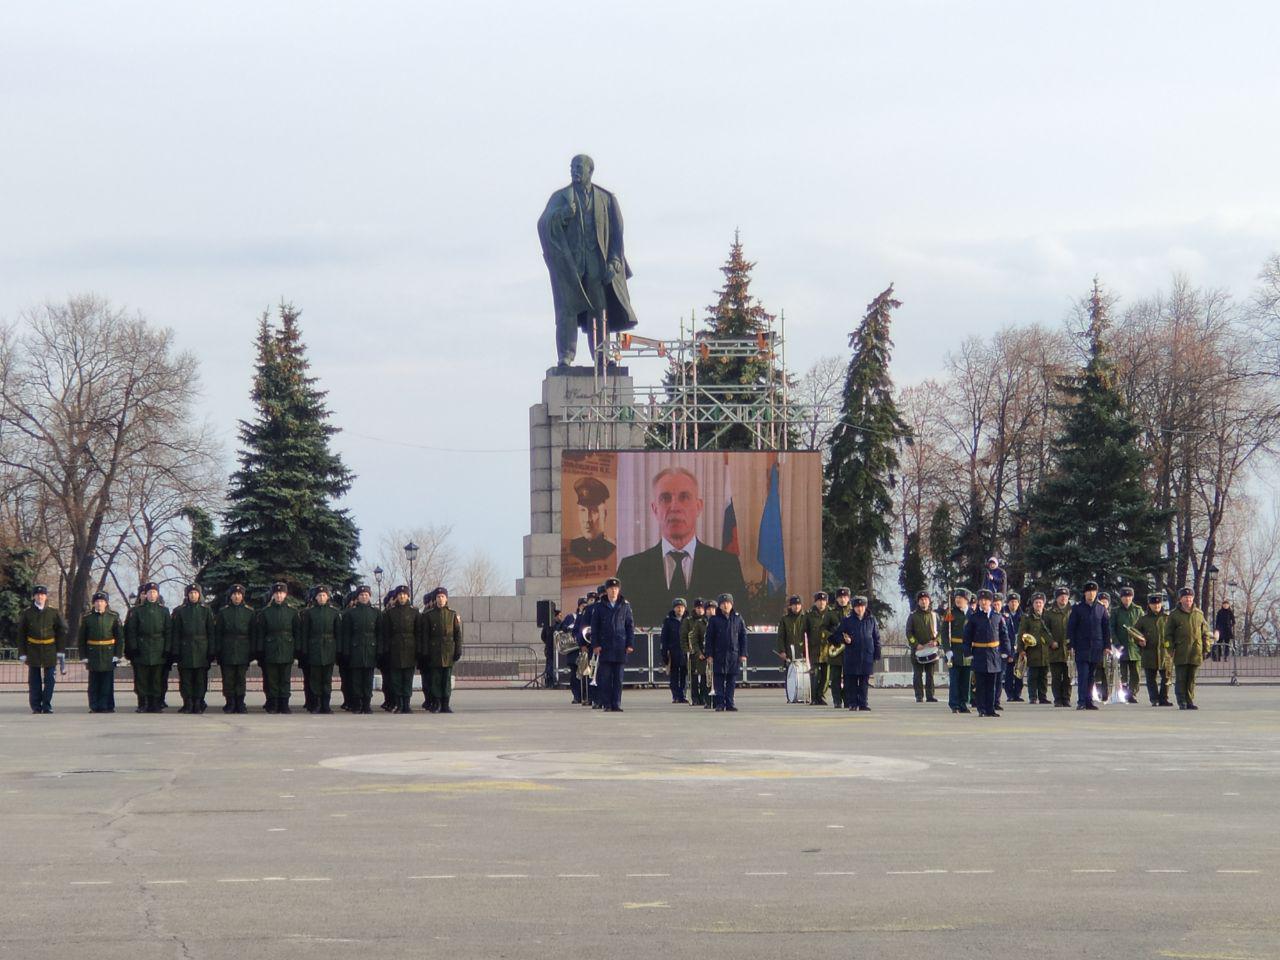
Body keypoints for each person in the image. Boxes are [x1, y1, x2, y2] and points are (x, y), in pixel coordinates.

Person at [537, 153, 639, 368]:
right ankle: (566, 355)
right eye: (572, 167)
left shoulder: (606, 199)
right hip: (570, 267)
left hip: (597, 267)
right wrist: (563, 214)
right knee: (567, 311)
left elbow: (616, 235)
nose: (574, 171)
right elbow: (543, 223)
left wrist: (614, 261)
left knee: (600, 312)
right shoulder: (561, 197)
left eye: (579, 167)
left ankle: (602, 356)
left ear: (590, 171)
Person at [613, 467, 747, 627]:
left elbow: (741, 625)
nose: (675, 506)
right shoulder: (630, 569)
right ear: (655, 509)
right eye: (665, 498)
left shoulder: (726, 566)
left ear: (698, 507)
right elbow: (618, 627)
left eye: (684, 497)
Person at [17, 585, 68, 715]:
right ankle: (36, 706)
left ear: (46, 596)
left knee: (50, 679)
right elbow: (21, 634)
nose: (40, 597)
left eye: (42, 594)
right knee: (34, 681)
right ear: (34, 596)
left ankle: (47, 704)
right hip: (33, 650)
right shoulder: (27, 613)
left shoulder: (54, 612)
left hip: (49, 649)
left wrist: (60, 650)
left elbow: (61, 631)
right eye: (38, 594)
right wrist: (22, 653)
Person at [589, 577, 634, 712]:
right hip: (605, 646)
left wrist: (630, 644)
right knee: (606, 678)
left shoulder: (625, 606)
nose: (613, 591)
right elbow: (594, 627)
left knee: (618, 679)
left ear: (619, 590)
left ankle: (617, 703)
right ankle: (607, 704)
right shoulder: (599, 606)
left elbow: (629, 626)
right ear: (607, 590)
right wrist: (595, 645)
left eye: (616, 588)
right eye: (611, 588)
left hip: (620, 646)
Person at [124, 581, 170, 713]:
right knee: (142, 678)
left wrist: (167, 649)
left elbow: (168, 631)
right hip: (142, 647)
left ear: (158, 594)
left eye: (154, 592)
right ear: (145, 594)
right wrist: (134, 647)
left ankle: (155, 703)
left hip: (158, 648)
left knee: (156, 678)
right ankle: (143, 703)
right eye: (149, 592)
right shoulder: (137, 611)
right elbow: (131, 631)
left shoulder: (164, 611)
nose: (152, 595)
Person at [964, 588, 1010, 718]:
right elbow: (967, 636)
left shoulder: (997, 617)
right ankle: (981, 709)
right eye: (981, 600)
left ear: (990, 602)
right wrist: (968, 652)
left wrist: (1006, 651)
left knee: (992, 684)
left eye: (986, 600)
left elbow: (1004, 635)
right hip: (979, 653)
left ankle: (991, 709)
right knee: (980, 684)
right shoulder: (974, 618)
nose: (983, 602)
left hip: (994, 654)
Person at [169, 583, 215, 714]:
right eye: (191, 593)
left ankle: (198, 702)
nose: (193, 595)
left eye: (195, 593)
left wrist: (211, 650)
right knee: (186, 678)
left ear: (199, 594)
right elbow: (176, 632)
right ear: (187, 595)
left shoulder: (206, 610)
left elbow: (211, 632)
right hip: (185, 649)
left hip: (202, 649)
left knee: (200, 678)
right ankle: (187, 702)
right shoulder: (180, 611)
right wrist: (176, 651)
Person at [256, 582, 299, 714]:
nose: (279, 595)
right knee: (272, 679)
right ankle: (273, 704)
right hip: (271, 649)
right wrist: (260, 651)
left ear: (285, 594)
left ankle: (284, 704)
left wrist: (297, 650)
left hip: (287, 648)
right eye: (277, 593)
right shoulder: (265, 612)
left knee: (285, 678)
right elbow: (260, 633)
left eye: (281, 593)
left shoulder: (292, 612)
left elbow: (297, 632)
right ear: (273, 595)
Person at [1067, 581, 1110, 710]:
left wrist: (1107, 646)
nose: (1091, 594)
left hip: (1096, 647)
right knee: (1083, 675)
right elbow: (1071, 628)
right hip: (1082, 647)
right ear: (1085, 593)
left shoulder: (1101, 608)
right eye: (1089, 591)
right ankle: (1081, 701)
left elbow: (1106, 629)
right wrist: (1071, 645)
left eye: (1094, 591)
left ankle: (1089, 700)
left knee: (1092, 676)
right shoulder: (1078, 608)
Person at [420, 587, 464, 713]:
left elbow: (457, 635)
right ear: (435, 599)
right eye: (438, 597)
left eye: (443, 597)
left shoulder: (452, 615)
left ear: (446, 599)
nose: (440, 599)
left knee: (446, 680)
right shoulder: (429, 615)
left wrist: (458, 650)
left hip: (448, 652)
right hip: (434, 652)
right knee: (436, 679)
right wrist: (425, 652)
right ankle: (437, 703)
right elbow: (425, 636)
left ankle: (446, 704)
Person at [78, 591, 123, 713]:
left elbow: (119, 637)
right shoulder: (87, 618)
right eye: (97, 602)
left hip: (108, 653)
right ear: (93, 604)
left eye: (102, 601)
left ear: (106, 603)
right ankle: (94, 705)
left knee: (107, 682)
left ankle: (107, 705)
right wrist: (83, 656)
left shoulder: (113, 617)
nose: (99, 604)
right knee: (94, 683)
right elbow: (81, 638)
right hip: (93, 653)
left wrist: (118, 654)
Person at [339, 585, 380, 714]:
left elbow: (380, 634)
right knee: (356, 679)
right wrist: (345, 651)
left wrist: (379, 650)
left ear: (369, 596)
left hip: (370, 649)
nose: (364, 597)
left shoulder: (376, 613)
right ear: (357, 597)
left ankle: (367, 704)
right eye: (361, 595)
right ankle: (357, 704)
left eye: (366, 595)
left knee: (368, 679)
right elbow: (346, 634)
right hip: (355, 649)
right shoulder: (351, 613)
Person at [213, 584, 254, 714]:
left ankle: (240, 702)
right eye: (234, 594)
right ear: (230, 596)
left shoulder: (249, 612)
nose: (237, 596)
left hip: (243, 649)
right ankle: (230, 702)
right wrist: (218, 651)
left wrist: (252, 652)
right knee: (228, 678)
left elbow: (253, 634)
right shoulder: (223, 612)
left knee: (240, 678)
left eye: (239, 594)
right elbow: (218, 633)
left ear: (242, 596)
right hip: (227, 649)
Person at [300, 585, 341, 714]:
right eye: (319, 596)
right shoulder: (309, 613)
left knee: (327, 680)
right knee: (315, 679)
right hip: (314, 649)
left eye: (324, 595)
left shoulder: (334, 613)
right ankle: (316, 704)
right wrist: (305, 650)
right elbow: (305, 633)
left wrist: (338, 650)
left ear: (327, 597)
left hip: (329, 648)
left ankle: (326, 705)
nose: (322, 597)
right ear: (315, 597)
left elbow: (338, 633)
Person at [1169, 587, 1211, 710]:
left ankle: (1189, 700)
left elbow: (1205, 633)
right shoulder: (1174, 615)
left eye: (1190, 598)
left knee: (1192, 678)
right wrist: (1169, 648)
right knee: (1181, 678)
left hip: (1195, 651)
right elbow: (1168, 635)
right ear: (1180, 599)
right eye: (1186, 598)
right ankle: (1181, 700)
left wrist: (1206, 648)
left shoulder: (1199, 614)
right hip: (1180, 651)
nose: (1188, 600)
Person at [705, 592, 748, 711]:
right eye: (723, 604)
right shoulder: (714, 620)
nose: (726, 606)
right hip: (718, 654)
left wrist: (743, 653)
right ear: (719, 606)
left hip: (733, 654)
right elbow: (709, 638)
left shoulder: (738, 618)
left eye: (728, 603)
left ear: (732, 604)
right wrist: (709, 654)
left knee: (731, 680)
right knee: (718, 680)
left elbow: (743, 637)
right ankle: (720, 703)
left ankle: (730, 703)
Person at [379, 585, 419, 714]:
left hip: (410, 650)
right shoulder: (390, 613)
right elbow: (385, 634)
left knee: (407, 678)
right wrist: (385, 650)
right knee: (396, 679)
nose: (402, 596)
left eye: (404, 594)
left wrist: (419, 650)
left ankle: (406, 704)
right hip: (394, 650)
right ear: (396, 597)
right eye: (400, 594)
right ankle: (399, 704)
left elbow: (419, 633)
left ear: (408, 596)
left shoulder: (414, 612)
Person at [838, 595, 881, 711]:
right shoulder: (847, 620)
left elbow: (876, 638)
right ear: (853, 607)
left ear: (865, 607)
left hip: (867, 655)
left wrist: (877, 653)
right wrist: (845, 640)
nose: (859, 609)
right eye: (857, 607)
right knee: (851, 681)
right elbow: (838, 635)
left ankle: (863, 703)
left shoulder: (871, 620)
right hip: (852, 655)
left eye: (861, 606)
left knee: (864, 682)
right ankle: (852, 703)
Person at [1134, 592, 1174, 707]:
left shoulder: (1167, 618)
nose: (1156, 606)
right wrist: (1139, 641)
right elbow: (1134, 633)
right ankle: (1154, 699)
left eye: (1158, 604)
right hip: (1149, 653)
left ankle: (1164, 698)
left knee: (1166, 677)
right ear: (1149, 605)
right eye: (1154, 604)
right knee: (1150, 678)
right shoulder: (1143, 620)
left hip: (1164, 653)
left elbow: (1173, 633)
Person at [567, 476, 616, 564]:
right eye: (582, 510)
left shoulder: (611, 548)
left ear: (604, 515)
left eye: (593, 511)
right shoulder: (573, 545)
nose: (587, 519)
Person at [804, 591, 839, 706]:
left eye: (823, 600)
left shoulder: (831, 614)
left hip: (827, 649)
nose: (821, 603)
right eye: (819, 600)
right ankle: (814, 697)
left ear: (827, 601)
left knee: (825, 676)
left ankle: (820, 695)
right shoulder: (809, 615)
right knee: (814, 674)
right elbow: (803, 633)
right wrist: (803, 649)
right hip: (814, 649)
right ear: (815, 602)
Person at [904, 590, 940, 704]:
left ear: (929, 601)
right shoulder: (913, 616)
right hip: (918, 650)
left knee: (930, 675)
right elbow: (909, 633)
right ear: (918, 602)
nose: (923, 602)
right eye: (921, 600)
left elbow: (941, 632)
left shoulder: (935, 616)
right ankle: (919, 696)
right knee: (918, 675)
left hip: (931, 650)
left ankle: (930, 695)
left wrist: (936, 642)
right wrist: (915, 644)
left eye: (925, 600)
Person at [1110, 587, 1142, 703]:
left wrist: (1141, 640)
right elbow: (1111, 628)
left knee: (1136, 673)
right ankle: (1123, 692)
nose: (1127, 599)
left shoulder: (1138, 610)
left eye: (1129, 596)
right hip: (1121, 646)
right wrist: (1116, 643)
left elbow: (1142, 628)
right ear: (1121, 598)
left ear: (1132, 597)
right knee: (1122, 673)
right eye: (1124, 597)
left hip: (1135, 648)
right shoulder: (1116, 611)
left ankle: (1132, 693)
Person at [943, 589, 972, 714]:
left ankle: (963, 703)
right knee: (955, 680)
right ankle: (954, 704)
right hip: (955, 650)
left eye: (961, 598)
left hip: (968, 651)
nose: (958, 600)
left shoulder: (972, 614)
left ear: (967, 600)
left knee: (966, 680)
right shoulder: (950, 613)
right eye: (956, 598)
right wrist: (947, 650)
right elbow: (944, 634)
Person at [1020, 592, 1052, 704]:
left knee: (1043, 676)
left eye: (1040, 602)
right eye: (1036, 602)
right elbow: (1022, 634)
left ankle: (1043, 697)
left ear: (1043, 604)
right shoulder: (1027, 617)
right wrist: (1021, 650)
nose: (1038, 605)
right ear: (1033, 604)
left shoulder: (1048, 616)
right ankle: (1032, 697)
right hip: (1032, 651)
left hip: (1046, 651)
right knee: (1033, 676)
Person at [1044, 586, 1073, 707]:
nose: (1063, 598)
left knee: (1068, 676)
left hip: (1069, 650)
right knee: (1056, 676)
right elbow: (1044, 630)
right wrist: (1051, 642)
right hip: (1055, 650)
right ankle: (1057, 699)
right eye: (1061, 596)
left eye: (1065, 596)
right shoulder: (1049, 613)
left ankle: (1066, 698)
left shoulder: (1073, 611)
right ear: (1056, 598)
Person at [776, 594, 808, 700]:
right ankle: (791, 696)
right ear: (790, 606)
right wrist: (782, 651)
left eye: (798, 604)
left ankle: (805, 695)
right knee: (790, 674)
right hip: (789, 652)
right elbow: (780, 636)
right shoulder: (785, 620)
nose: (796, 607)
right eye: (794, 605)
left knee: (806, 674)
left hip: (803, 651)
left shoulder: (805, 618)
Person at [826, 588, 854, 708]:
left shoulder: (853, 612)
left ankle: (847, 699)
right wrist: (832, 638)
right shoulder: (831, 613)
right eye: (840, 597)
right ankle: (837, 700)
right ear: (837, 599)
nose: (843, 600)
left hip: (849, 650)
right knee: (835, 677)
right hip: (836, 649)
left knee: (849, 677)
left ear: (848, 598)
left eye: (845, 597)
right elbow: (823, 629)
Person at [660, 598, 688, 703]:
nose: (679, 609)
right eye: (677, 607)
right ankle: (676, 696)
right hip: (673, 653)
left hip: (685, 652)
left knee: (684, 676)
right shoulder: (668, 621)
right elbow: (664, 638)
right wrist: (664, 654)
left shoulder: (688, 620)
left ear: (685, 608)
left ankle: (683, 695)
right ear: (674, 608)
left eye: (681, 607)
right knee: (674, 676)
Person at [684, 598, 711, 708]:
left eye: (702, 608)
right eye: (698, 608)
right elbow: (685, 637)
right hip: (694, 653)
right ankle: (695, 698)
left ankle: (704, 698)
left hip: (705, 653)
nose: (700, 610)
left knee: (705, 677)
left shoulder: (707, 621)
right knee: (694, 677)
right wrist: (687, 650)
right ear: (695, 608)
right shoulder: (689, 620)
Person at [1003, 592, 1025, 702]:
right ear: (1008, 603)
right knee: (1009, 672)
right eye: (1011, 602)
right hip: (1008, 646)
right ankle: (1009, 694)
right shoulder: (1004, 614)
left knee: (1019, 672)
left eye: (1015, 602)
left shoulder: (1022, 615)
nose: (1013, 604)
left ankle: (1017, 693)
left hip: (1020, 646)